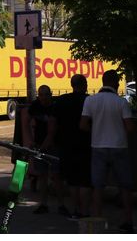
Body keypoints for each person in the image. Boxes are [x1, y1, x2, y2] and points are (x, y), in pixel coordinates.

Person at [80, 69, 135, 233]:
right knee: (125, 187)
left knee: (98, 186)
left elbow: (82, 125)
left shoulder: (91, 101)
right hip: (119, 147)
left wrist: (96, 130)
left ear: (103, 82)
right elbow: (130, 127)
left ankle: (98, 220)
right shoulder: (121, 102)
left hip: (98, 147)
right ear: (116, 84)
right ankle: (128, 220)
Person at [49, 74, 92, 219]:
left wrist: (51, 141)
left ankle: (76, 210)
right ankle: (85, 211)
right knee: (85, 181)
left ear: (72, 84)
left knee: (72, 180)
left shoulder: (61, 100)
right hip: (86, 144)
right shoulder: (89, 100)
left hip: (66, 145)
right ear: (85, 84)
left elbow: (53, 124)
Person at [25, 84, 63, 214]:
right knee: (42, 175)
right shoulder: (35, 105)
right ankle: (43, 204)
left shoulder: (55, 107)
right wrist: (30, 139)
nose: (44, 98)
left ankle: (61, 205)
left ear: (51, 94)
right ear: (38, 96)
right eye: (41, 95)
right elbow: (26, 122)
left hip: (54, 145)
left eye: (46, 94)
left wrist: (41, 147)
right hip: (39, 144)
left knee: (56, 175)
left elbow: (52, 132)